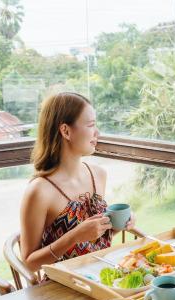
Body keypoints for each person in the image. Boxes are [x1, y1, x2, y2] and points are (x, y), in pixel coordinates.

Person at [19, 92, 136, 272]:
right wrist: (73, 237)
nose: (97, 132)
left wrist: (120, 223)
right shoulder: (40, 191)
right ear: (65, 131)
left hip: (102, 276)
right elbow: (29, 263)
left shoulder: (98, 175)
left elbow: (95, 241)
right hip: (63, 288)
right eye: (91, 125)